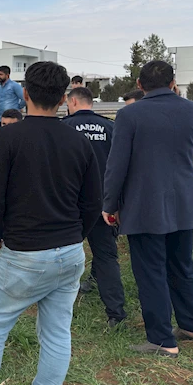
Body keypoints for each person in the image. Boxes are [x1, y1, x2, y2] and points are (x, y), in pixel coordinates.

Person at [0, 61, 101, 385]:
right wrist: (74, 237)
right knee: (56, 333)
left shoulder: (8, 137)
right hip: (69, 254)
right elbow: (93, 202)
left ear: (25, 94)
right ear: (63, 97)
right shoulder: (79, 141)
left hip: (21, 254)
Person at [103, 61, 193, 357]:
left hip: (144, 203)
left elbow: (117, 164)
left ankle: (163, 340)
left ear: (140, 84)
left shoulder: (129, 115)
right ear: (173, 82)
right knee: (182, 265)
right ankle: (192, 326)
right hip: (184, 201)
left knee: (151, 271)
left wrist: (109, 204)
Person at [62, 87, 126, 328]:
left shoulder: (64, 127)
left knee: (65, 254)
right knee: (106, 256)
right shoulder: (110, 127)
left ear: (74, 102)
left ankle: (60, 306)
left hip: (71, 204)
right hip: (104, 203)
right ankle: (116, 314)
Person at [0, 65, 25, 132]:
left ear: (7, 75)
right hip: (0, 118)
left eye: (1, 74)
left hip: (12, 119)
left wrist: (18, 107)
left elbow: (24, 98)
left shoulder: (14, 86)